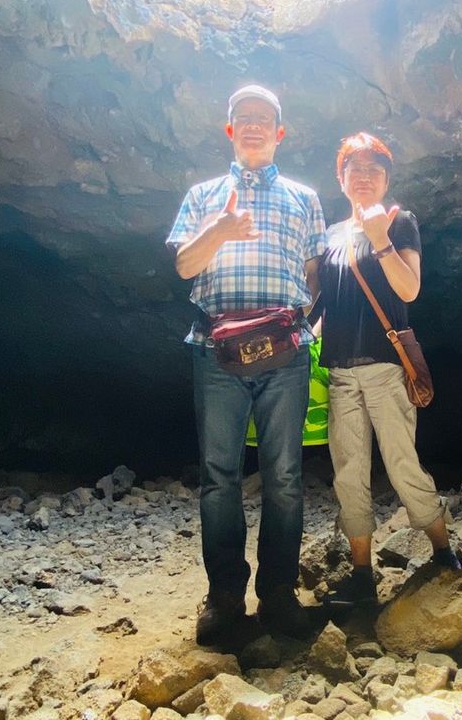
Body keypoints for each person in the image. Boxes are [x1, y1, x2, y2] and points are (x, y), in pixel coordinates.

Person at [166, 84, 327, 645]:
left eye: (264, 118)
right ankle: (225, 599)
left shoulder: (305, 198)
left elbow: (313, 276)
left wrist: (294, 324)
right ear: (230, 130)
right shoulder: (203, 196)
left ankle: (278, 596)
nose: (253, 125)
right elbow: (185, 266)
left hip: (285, 353)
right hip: (217, 350)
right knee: (219, 477)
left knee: (284, 478)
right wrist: (219, 230)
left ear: (279, 132)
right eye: (243, 117)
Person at [314, 132, 460, 609]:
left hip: (384, 368)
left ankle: (444, 552)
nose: (363, 176)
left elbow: (409, 289)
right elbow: (321, 303)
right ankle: (362, 573)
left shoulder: (400, 222)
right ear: (340, 179)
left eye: (373, 169)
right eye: (353, 169)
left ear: (386, 179)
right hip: (340, 372)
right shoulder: (331, 236)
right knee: (348, 472)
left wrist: (379, 240)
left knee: (401, 463)